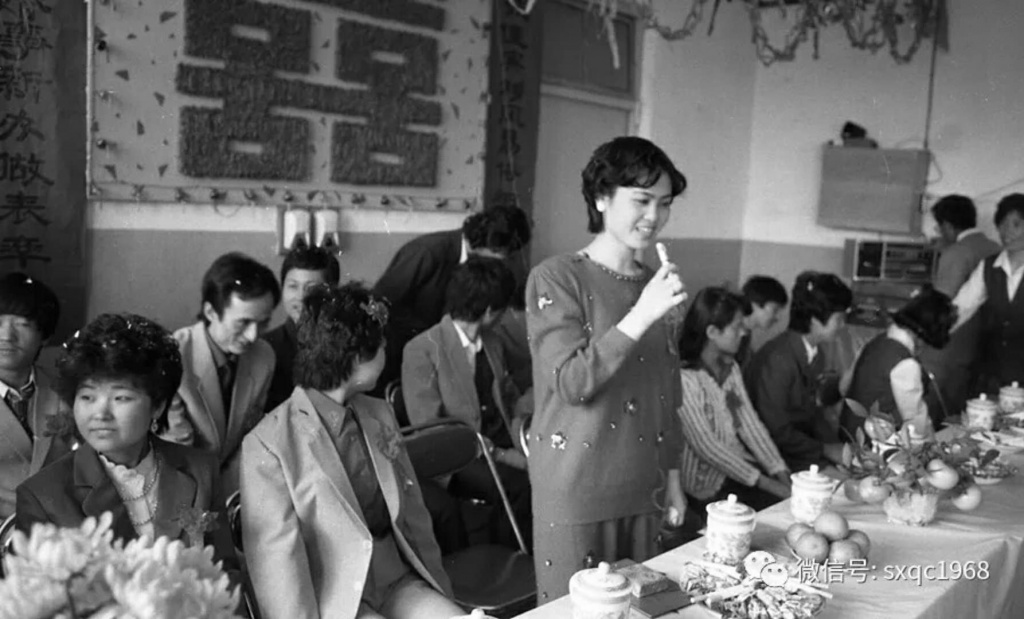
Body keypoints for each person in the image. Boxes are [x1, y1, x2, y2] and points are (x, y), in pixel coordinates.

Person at [525, 136, 688, 600]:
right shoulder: (556, 277)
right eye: (640, 200)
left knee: (643, 612)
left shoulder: (657, 286)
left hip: (645, 485)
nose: (654, 216)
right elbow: (573, 382)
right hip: (576, 488)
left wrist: (673, 477)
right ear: (601, 198)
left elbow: (668, 394)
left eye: (665, 203)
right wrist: (642, 314)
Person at [241, 283, 460, 619]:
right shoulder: (269, 443)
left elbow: (412, 513)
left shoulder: (379, 413)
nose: (387, 350)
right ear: (358, 358)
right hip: (335, 599)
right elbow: (277, 565)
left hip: (396, 579)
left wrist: (437, 585)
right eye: (382, 345)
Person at [15, 313, 237, 575]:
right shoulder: (43, 495)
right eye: (87, 396)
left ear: (158, 405)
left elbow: (224, 576)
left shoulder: (200, 470)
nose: (100, 413)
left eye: (120, 398)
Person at [402, 256, 530, 550]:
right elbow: (430, 427)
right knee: (520, 486)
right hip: (455, 455)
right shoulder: (422, 349)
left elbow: (508, 396)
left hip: (497, 442)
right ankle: (506, 558)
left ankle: (514, 550)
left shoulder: (493, 342)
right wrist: (504, 455)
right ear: (488, 311)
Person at [373, 205, 532, 399]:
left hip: (437, 355)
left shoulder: (474, 262)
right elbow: (379, 304)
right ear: (494, 245)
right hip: (396, 356)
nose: (507, 262)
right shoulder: (427, 252)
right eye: (509, 255)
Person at [160, 252, 279, 498]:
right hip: (176, 488)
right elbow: (177, 451)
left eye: (263, 323)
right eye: (242, 323)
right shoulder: (173, 355)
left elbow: (250, 440)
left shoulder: (263, 356)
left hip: (230, 490)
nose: (253, 336)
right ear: (211, 312)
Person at [677, 287, 790, 514]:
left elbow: (750, 425)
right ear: (712, 332)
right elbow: (706, 447)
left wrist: (781, 472)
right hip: (701, 489)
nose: (744, 333)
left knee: (784, 507)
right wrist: (769, 484)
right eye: (736, 327)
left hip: (736, 474)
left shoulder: (731, 368)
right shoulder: (685, 378)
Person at [744, 271, 852, 472]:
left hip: (799, 448)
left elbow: (812, 414)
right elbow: (776, 431)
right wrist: (825, 449)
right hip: (773, 455)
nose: (842, 325)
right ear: (815, 320)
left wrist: (836, 446)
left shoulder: (815, 353)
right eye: (839, 319)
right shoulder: (777, 360)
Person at [918, 195, 1000, 416]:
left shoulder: (957, 252)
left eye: (939, 227)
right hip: (981, 346)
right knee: (959, 411)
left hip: (948, 348)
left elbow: (942, 302)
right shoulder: (996, 248)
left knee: (930, 412)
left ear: (946, 225)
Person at [840, 287, 956, 441]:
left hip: (847, 433)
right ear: (922, 336)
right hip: (870, 445)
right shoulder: (905, 364)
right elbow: (916, 421)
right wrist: (932, 443)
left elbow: (844, 387)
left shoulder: (875, 342)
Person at [0, 273, 69, 518]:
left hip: (56, 533)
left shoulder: (66, 392)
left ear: (45, 335)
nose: (6, 335)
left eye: (22, 324)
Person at [950, 193, 1024, 396]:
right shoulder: (989, 267)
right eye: (1002, 224)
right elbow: (961, 307)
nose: (1007, 232)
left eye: (1016, 224)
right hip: (991, 373)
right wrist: (922, 333)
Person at [263, 244, 342, 411]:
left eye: (311, 288)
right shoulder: (266, 347)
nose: (300, 297)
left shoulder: (344, 343)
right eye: (293, 286)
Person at [737, 275, 789, 367]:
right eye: (775, 310)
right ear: (755, 304)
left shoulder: (746, 334)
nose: (777, 318)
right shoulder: (731, 334)